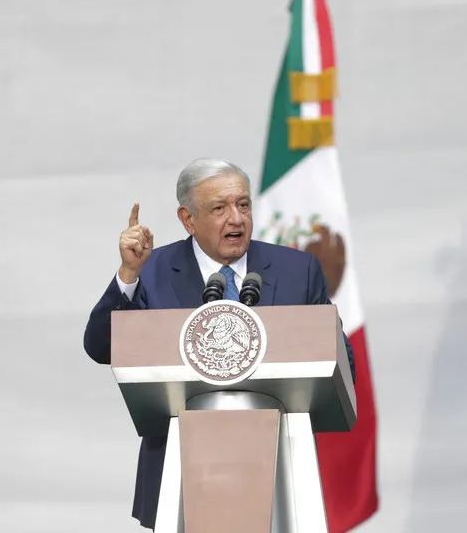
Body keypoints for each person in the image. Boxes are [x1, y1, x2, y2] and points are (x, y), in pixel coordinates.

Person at [83, 157, 356, 530]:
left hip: (278, 469)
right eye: (219, 209)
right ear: (188, 219)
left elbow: (343, 363)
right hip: (180, 472)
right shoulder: (152, 269)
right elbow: (101, 347)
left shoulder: (297, 270)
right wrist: (128, 274)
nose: (236, 219)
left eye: (243, 205)